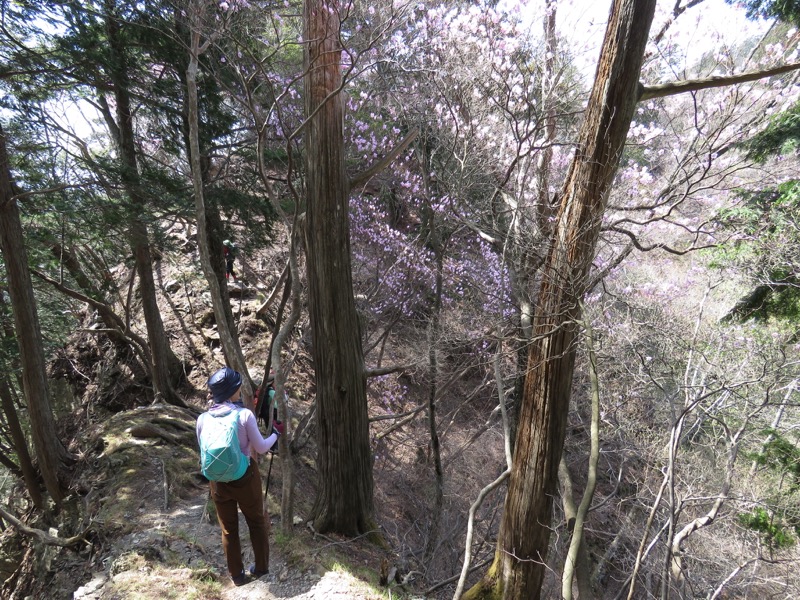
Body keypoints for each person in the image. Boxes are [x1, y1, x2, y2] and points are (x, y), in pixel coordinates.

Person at [196, 366, 278, 586]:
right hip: (245, 477)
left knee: (229, 528)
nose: (241, 388)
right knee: (256, 522)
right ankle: (260, 568)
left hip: (218, 482)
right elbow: (260, 448)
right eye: (238, 386)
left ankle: (237, 575)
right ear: (232, 390)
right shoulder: (243, 415)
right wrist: (274, 436)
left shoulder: (202, 419)